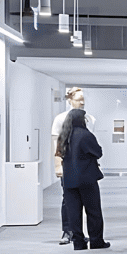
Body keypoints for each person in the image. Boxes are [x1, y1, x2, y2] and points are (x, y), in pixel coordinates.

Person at [59, 108, 108, 251]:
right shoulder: (85, 135)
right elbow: (98, 152)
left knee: (74, 213)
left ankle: (78, 243)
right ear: (81, 120)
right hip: (87, 179)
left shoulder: (64, 136)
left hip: (69, 180)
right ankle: (96, 241)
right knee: (93, 212)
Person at [52, 87, 86, 245]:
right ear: (70, 100)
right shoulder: (60, 119)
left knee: (86, 200)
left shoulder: (89, 119)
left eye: (83, 99)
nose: (82, 102)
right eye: (79, 99)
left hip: (84, 166)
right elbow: (56, 144)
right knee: (68, 199)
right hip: (68, 165)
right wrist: (58, 166)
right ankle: (68, 230)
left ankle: (80, 232)